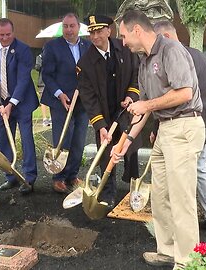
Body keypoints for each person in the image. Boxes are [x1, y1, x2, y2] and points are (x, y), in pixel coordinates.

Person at [115, 10, 205, 269]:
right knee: (161, 195)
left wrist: (147, 105)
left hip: (185, 125)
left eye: (123, 35)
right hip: (165, 130)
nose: (123, 42)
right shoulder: (143, 63)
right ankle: (166, 251)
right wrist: (125, 143)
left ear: (137, 31)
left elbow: (185, 93)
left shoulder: (171, 50)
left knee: (181, 198)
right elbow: (144, 111)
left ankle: (188, 261)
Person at [153, 21, 206, 234]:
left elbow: (170, 95)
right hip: (205, 120)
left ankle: (200, 219)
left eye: (158, 39)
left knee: (189, 172)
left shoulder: (170, 57)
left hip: (185, 124)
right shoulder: (199, 55)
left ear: (166, 35)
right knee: (201, 167)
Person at [77, 15, 141, 208]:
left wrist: (132, 95)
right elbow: (88, 98)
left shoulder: (126, 49)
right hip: (104, 115)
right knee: (106, 154)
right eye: (91, 32)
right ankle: (107, 192)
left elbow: (136, 74)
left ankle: (134, 187)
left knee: (131, 151)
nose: (95, 36)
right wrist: (100, 125)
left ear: (108, 31)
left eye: (98, 31)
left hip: (126, 111)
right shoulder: (84, 63)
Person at [0, 18, 38, 195]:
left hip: (22, 102)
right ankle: (11, 177)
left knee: (27, 140)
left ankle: (28, 178)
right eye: (1, 35)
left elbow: (23, 80)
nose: (4, 38)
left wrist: (12, 104)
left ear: (13, 32)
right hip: (0, 101)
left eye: (8, 34)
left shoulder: (23, 50)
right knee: (3, 139)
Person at [41, 13, 91, 193]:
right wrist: (59, 94)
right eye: (65, 26)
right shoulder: (52, 47)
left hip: (82, 102)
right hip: (60, 101)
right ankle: (59, 177)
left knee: (78, 140)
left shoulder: (88, 46)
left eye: (72, 26)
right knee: (63, 139)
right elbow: (46, 74)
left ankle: (72, 175)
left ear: (78, 28)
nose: (68, 30)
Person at [34, 52, 51, 126]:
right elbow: (37, 67)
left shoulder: (52, 55)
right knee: (44, 101)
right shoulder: (40, 57)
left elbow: (37, 67)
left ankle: (50, 118)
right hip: (43, 81)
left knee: (50, 100)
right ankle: (45, 118)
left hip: (49, 81)